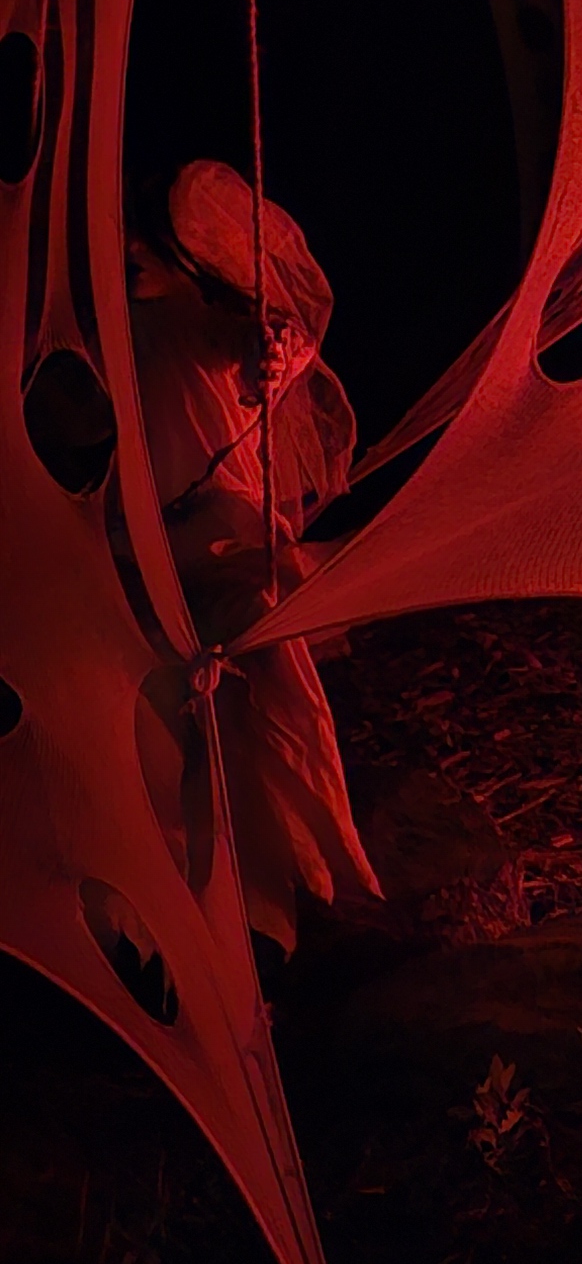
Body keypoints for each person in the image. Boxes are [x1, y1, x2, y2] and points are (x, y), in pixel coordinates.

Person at [128, 159, 379, 949]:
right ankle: (217, 901)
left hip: (213, 538)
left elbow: (254, 344)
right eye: (124, 236)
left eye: (147, 241)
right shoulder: (101, 322)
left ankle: (298, 878)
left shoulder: (197, 322)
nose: (130, 252)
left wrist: (273, 353)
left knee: (258, 656)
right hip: (135, 548)